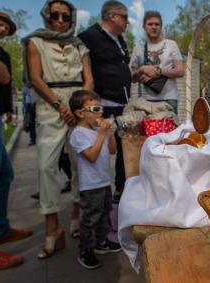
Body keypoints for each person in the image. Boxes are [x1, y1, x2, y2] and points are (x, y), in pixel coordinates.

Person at [23, 0, 94, 259]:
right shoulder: (35, 42)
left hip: (78, 105)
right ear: (47, 16)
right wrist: (58, 104)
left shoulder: (80, 46)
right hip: (49, 104)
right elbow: (35, 78)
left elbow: (89, 78)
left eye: (66, 16)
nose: (60, 20)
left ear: (72, 18)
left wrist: (78, 105)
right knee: (46, 165)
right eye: (55, 15)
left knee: (80, 163)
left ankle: (76, 213)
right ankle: (52, 227)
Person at [78, 0, 131, 202]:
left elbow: (120, 69)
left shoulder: (120, 40)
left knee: (123, 147)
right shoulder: (89, 37)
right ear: (113, 16)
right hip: (102, 105)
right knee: (99, 150)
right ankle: (96, 194)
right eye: (125, 16)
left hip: (122, 105)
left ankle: (120, 190)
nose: (128, 21)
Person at [0, 11, 33, 271]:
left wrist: (6, 109)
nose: (3, 29)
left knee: (5, 175)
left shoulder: (0, 54)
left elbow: (5, 81)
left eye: (6, 27)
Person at [69, 90, 120, 270]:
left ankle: (102, 242)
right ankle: (86, 251)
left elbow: (113, 150)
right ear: (80, 113)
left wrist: (110, 133)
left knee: (104, 214)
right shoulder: (78, 134)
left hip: (105, 182)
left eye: (101, 108)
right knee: (90, 219)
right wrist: (101, 135)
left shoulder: (99, 130)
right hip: (90, 186)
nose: (100, 113)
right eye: (95, 109)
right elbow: (91, 155)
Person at [130, 10, 184, 114]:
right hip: (145, 101)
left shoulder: (171, 45)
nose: (153, 27)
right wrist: (142, 69)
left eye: (157, 24)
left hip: (169, 99)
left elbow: (180, 71)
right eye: (150, 24)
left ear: (161, 27)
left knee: (169, 130)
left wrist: (158, 70)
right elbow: (132, 78)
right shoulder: (138, 48)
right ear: (144, 27)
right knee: (145, 131)